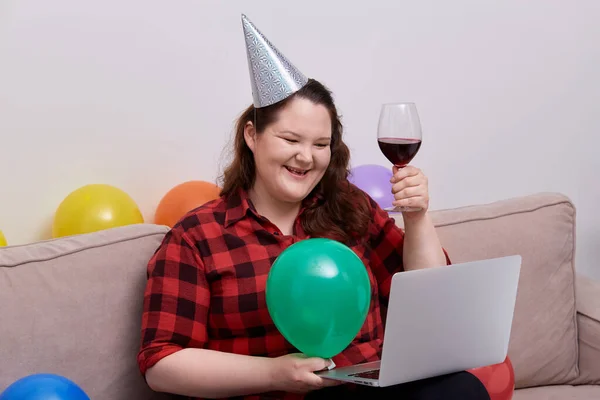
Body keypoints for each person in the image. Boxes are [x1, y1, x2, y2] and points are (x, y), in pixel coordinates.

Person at [137, 14, 490, 400]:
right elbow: (161, 364)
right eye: (291, 139)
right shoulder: (197, 236)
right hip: (283, 396)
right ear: (252, 136)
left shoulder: (350, 207)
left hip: (371, 389)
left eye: (321, 145)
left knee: (462, 388)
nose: (306, 158)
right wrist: (273, 373)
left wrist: (417, 215)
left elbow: (429, 298)